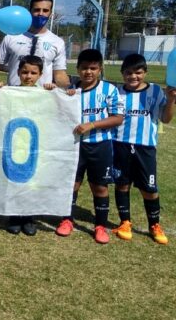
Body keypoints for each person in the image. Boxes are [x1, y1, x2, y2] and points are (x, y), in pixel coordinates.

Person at [56, 48, 123, 244]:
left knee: (99, 187)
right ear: (77, 69)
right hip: (74, 146)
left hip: (100, 145)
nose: (88, 72)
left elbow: (118, 118)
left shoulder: (109, 90)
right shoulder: (71, 91)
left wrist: (92, 125)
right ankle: (67, 220)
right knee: (72, 184)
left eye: (93, 68)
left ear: (100, 69)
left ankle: (100, 226)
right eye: (84, 68)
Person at [111, 53, 175, 245]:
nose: (133, 76)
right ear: (122, 74)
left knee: (149, 188)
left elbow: (165, 119)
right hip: (120, 144)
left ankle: (154, 225)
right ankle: (125, 222)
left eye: (138, 72)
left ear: (145, 72)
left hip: (145, 147)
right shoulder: (117, 92)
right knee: (122, 184)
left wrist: (171, 100)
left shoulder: (155, 91)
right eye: (128, 73)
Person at [0, 55, 56, 236]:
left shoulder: (44, 93)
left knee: (32, 182)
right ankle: (14, 217)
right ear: (18, 72)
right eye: (25, 72)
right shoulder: (10, 91)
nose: (28, 76)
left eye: (33, 73)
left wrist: (55, 92)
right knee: (13, 180)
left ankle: (28, 217)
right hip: (13, 143)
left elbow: (56, 111)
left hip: (34, 145)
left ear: (40, 74)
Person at [0, 0, 70, 88]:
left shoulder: (57, 42)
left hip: (40, 96)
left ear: (50, 13)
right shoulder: (12, 36)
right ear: (30, 11)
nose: (40, 14)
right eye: (37, 10)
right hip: (14, 94)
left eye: (45, 10)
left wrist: (67, 86)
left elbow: (59, 74)